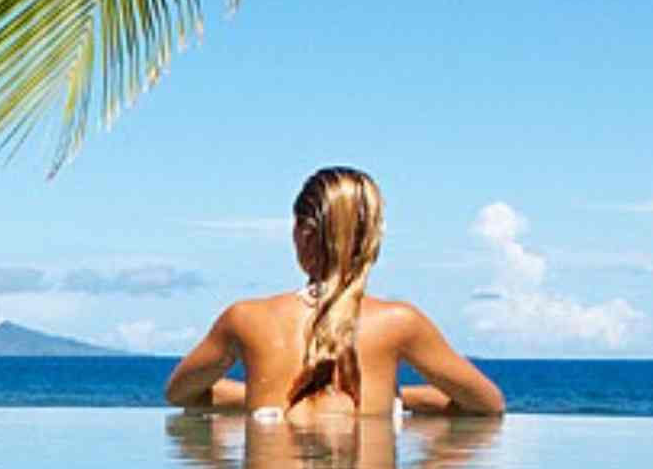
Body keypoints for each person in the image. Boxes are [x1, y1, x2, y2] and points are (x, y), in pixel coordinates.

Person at [164, 167, 505, 421]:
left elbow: (180, 394)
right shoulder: (400, 322)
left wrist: (267, 396)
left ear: (302, 232)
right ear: (372, 239)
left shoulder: (245, 318)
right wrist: (393, 399)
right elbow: (488, 405)